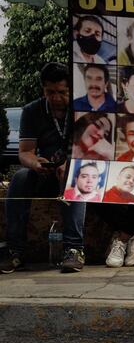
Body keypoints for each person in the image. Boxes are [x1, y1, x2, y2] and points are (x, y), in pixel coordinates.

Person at [1, 64, 89, 273]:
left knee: (71, 175)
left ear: (71, 90)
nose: (56, 98)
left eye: (62, 92)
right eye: (50, 92)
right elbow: (25, 152)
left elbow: (92, 151)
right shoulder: (32, 111)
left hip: (77, 173)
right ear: (43, 90)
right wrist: (35, 163)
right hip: (44, 173)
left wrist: (71, 163)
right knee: (20, 178)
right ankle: (15, 250)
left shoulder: (82, 110)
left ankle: (74, 249)